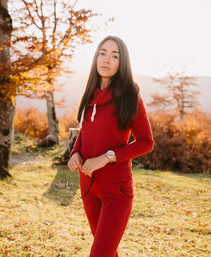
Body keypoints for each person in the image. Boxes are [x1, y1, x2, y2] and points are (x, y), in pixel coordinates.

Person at [67, 35, 154, 257]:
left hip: (116, 191)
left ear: (121, 62)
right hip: (88, 186)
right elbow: (85, 131)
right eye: (102, 53)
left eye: (114, 56)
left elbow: (146, 142)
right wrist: (75, 153)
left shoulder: (129, 97)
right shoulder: (89, 94)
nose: (106, 59)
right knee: (107, 253)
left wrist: (107, 157)